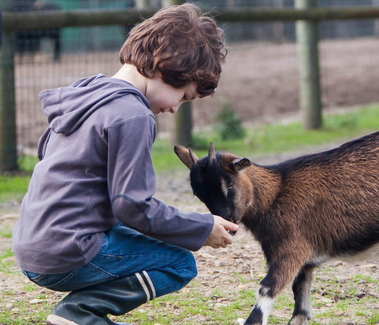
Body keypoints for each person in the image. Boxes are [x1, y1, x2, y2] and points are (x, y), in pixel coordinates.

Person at [12, 4, 235, 325]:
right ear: (168, 67)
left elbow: (46, 154)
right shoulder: (133, 115)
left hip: (32, 244)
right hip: (69, 253)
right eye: (184, 96)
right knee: (179, 264)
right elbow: (133, 207)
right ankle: (79, 313)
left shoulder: (87, 93)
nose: (175, 109)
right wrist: (201, 228)